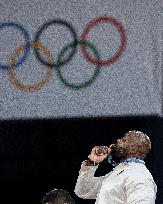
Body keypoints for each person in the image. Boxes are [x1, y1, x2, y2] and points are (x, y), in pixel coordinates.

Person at [74, 130, 157, 204]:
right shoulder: (120, 172)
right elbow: (83, 190)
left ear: (134, 149)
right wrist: (92, 162)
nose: (118, 140)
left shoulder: (139, 175)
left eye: (124, 140)